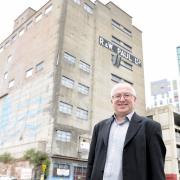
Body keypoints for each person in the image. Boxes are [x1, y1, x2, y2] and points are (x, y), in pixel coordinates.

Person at [86, 82, 166, 180]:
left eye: (127, 95)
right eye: (117, 96)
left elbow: (157, 169)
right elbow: (91, 163)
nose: (122, 99)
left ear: (134, 99)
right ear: (112, 100)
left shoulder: (151, 127)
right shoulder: (99, 127)